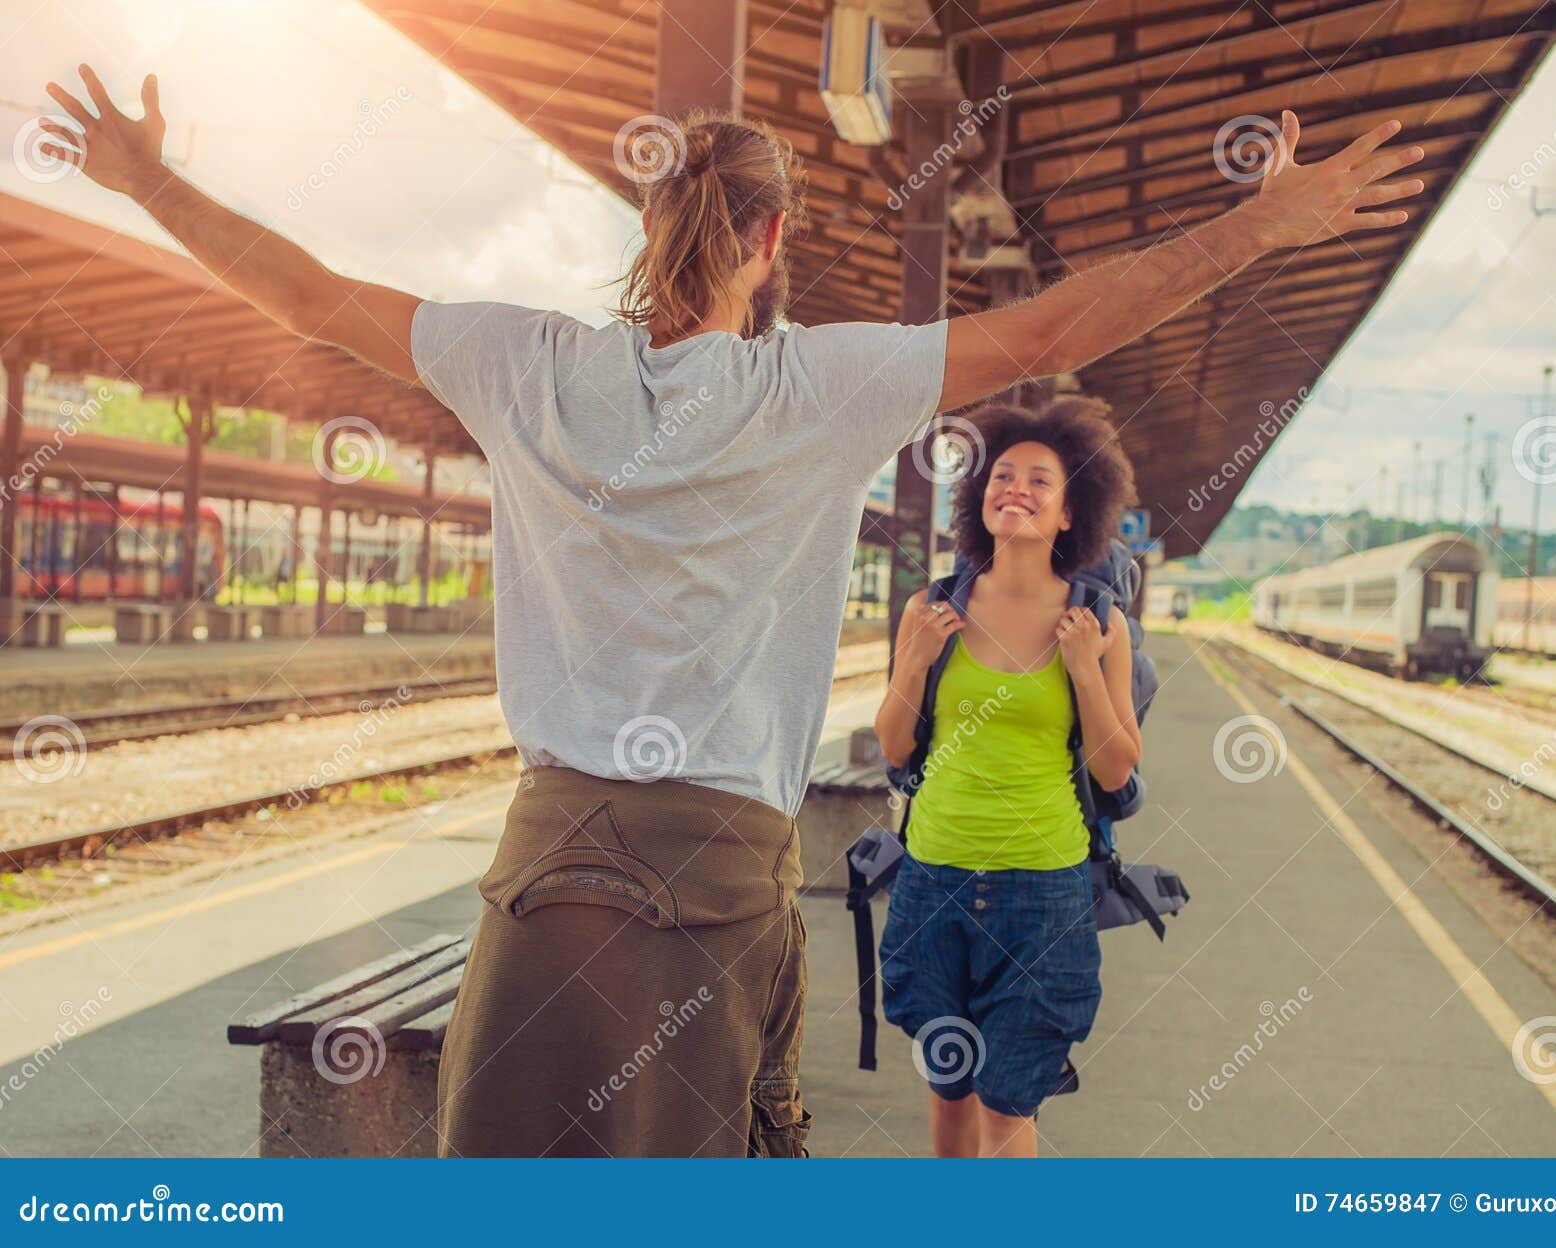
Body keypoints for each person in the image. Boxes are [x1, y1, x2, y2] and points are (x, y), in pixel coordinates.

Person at [38, 64, 1425, 1157]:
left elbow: (309, 295)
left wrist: (144, 174)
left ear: (648, 228)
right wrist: (1268, 220)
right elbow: (1059, 332)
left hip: (542, 872)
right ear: (771, 240)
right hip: (710, 887)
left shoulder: (516, 360)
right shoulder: (818, 390)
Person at [873, 398, 1138, 1157]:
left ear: (1068, 514)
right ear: (979, 498)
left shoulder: (1098, 622)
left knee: (1008, 1105)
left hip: (1044, 890)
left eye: (1039, 481)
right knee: (948, 1088)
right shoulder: (932, 608)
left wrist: (1085, 670)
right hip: (934, 880)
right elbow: (895, 746)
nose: (1014, 489)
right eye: (1002, 476)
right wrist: (916, 662)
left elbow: (1117, 764)